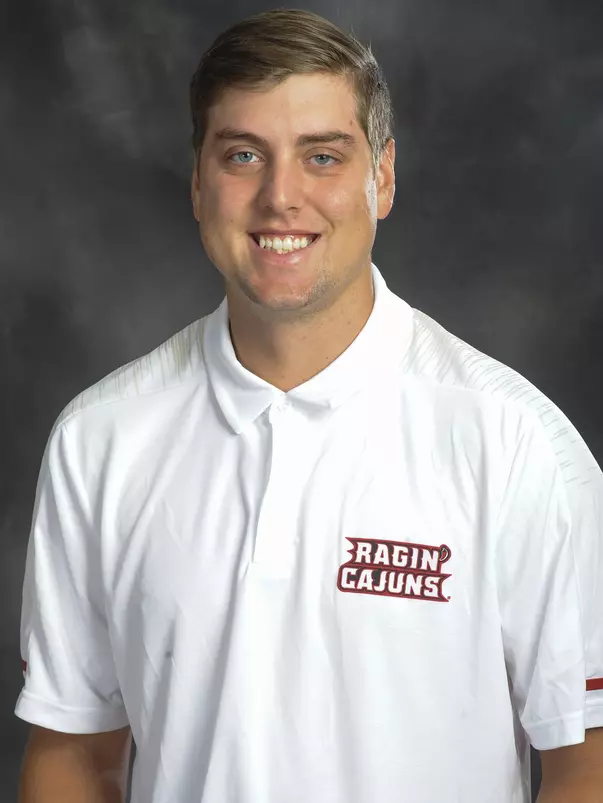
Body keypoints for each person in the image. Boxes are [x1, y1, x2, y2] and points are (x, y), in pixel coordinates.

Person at [15, 8, 603, 803]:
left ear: (382, 178)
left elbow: (586, 759)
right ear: (197, 181)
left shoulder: (513, 440)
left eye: (322, 156)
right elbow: (73, 753)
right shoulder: (100, 440)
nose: (279, 196)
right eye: (243, 155)